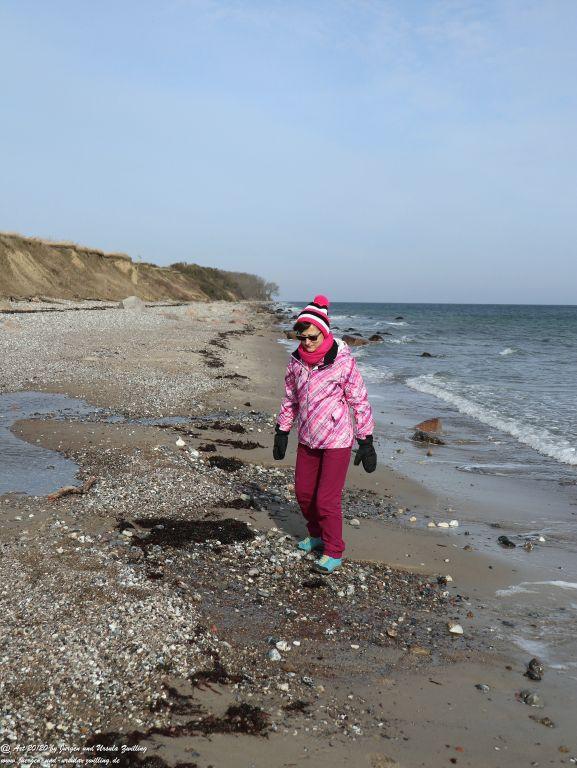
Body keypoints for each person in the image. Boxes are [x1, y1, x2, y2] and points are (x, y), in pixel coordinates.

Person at [273, 295, 377, 574]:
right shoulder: (295, 362)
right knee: (304, 493)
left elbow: (359, 400)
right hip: (307, 437)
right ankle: (316, 535)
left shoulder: (342, 362)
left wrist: (365, 440)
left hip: (337, 440)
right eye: (302, 336)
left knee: (326, 499)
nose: (306, 342)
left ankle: (333, 550)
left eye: (312, 337)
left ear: (325, 332)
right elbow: (290, 398)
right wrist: (282, 430)